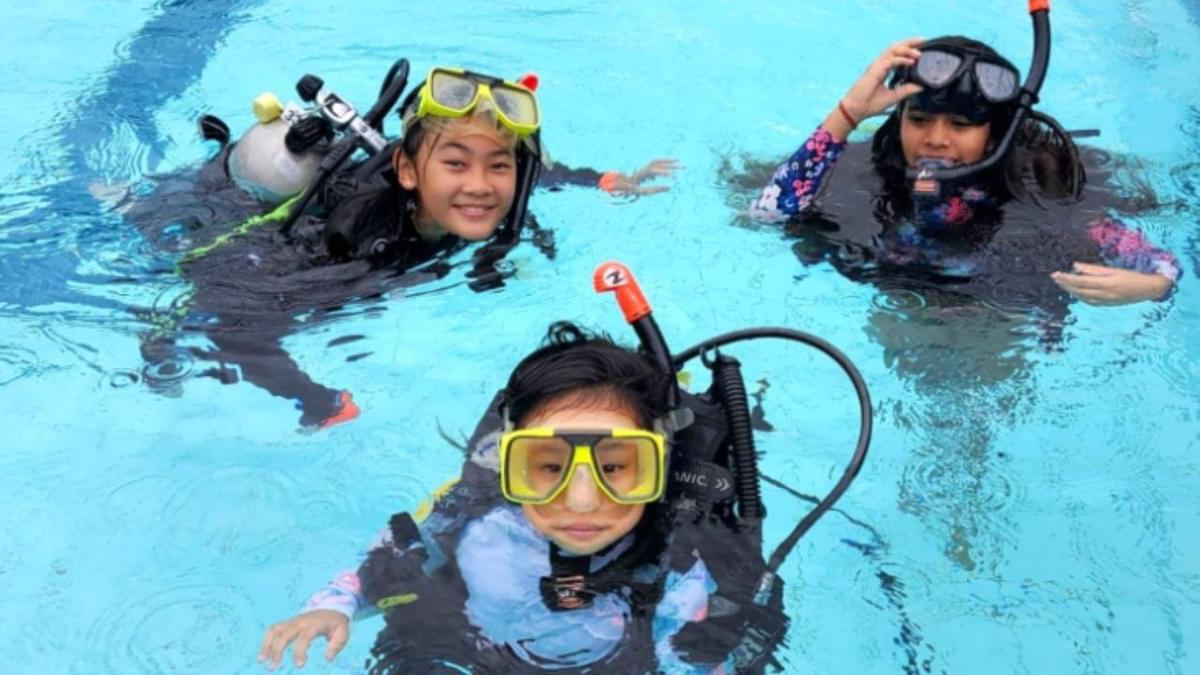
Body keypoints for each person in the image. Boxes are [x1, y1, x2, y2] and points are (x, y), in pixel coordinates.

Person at [121, 65, 679, 428]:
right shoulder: (357, 244)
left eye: (498, 165)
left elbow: (542, 172)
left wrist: (603, 179)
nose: (481, 185)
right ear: (408, 172)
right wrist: (317, 402)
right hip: (203, 227)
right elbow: (237, 328)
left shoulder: (484, 196)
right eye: (455, 164)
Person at [256, 322, 788, 673]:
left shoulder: (679, 562)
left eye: (616, 468)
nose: (582, 500)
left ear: (658, 470)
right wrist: (334, 609)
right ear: (511, 464)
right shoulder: (471, 515)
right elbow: (387, 563)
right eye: (550, 466)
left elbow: (691, 658)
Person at [746, 36, 1181, 307]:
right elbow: (768, 214)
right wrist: (847, 115)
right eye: (918, 121)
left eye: (961, 125)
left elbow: (1157, 263)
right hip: (902, 308)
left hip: (994, 317)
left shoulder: (1032, 185)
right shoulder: (867, 170)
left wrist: (1151, 287)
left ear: (994, 134)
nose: (935, 139)